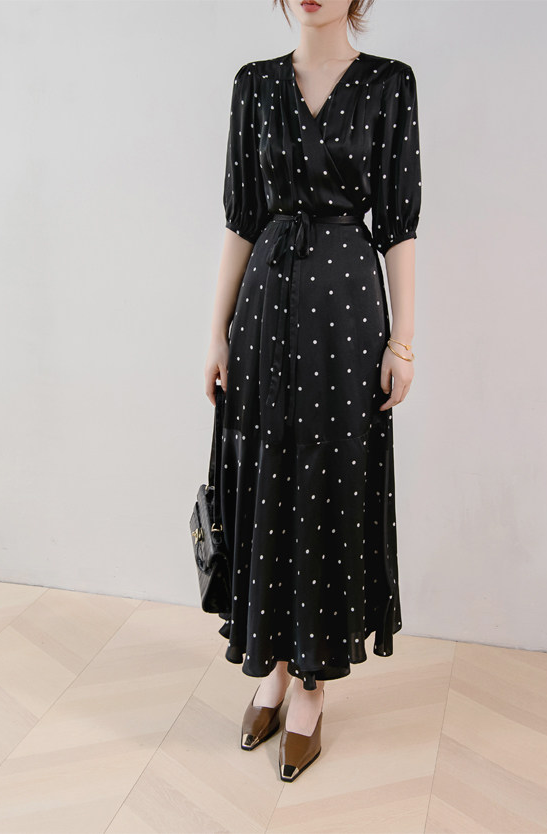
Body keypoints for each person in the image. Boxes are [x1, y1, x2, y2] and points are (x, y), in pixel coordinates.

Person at [203, 0, 421, 781]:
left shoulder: (390, 84)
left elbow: (398, 224)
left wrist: (402, 340)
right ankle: (270, 665)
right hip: (265, 308)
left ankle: (311, 682)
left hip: (347, 315)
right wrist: (216, 330)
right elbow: (241, 217)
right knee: (267, 480)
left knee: (328, 483)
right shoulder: (254, 84)